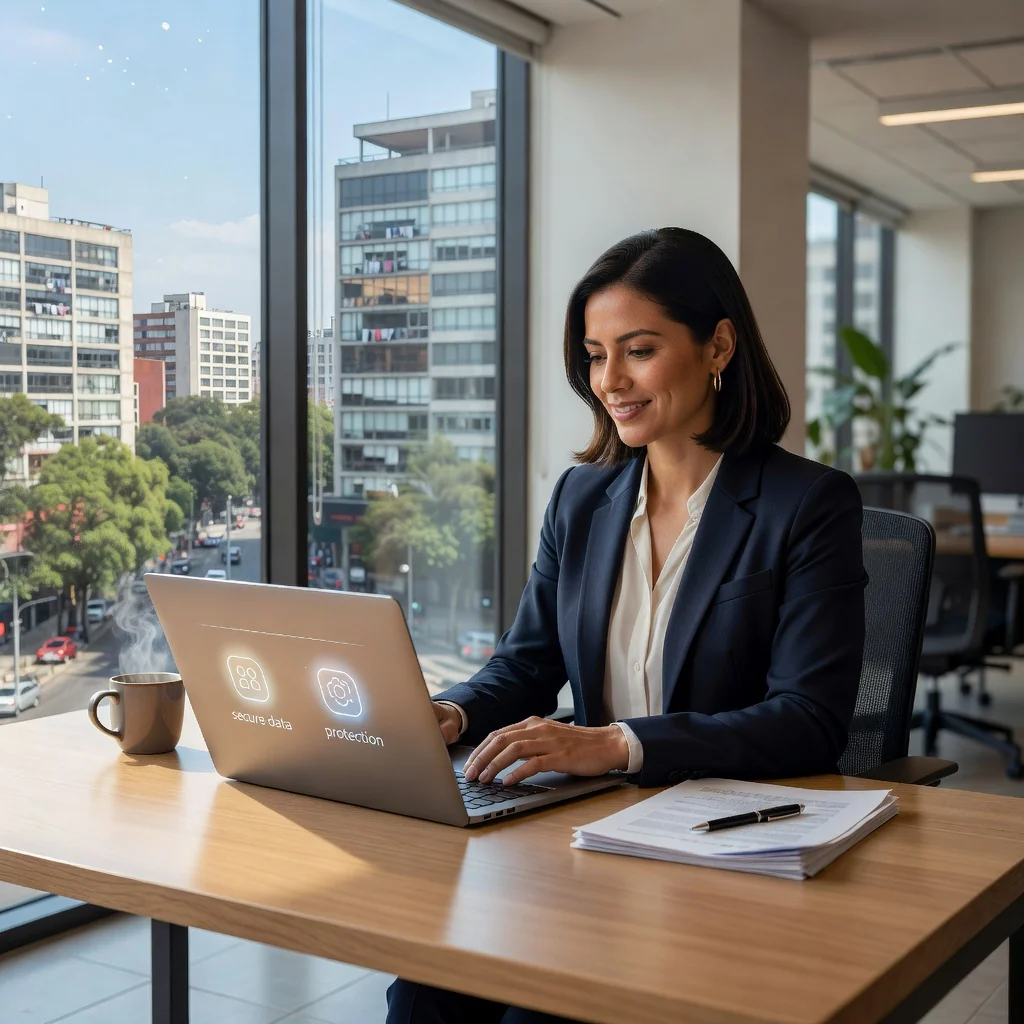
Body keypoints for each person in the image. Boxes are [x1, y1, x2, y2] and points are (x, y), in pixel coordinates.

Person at [386, 227, 867, 1024]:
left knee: (535, 1015)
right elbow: (526, 663)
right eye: (594, 353)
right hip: (583, 835)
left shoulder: (806, 506)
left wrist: (615, 743)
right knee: (426, 986)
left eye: (637, 350)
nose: (610, 380)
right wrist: (455, 712)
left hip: (722, 844)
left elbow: (809, 721)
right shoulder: (583, 498)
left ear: (718, 346)